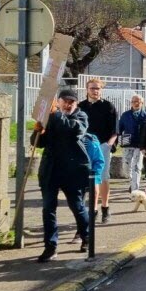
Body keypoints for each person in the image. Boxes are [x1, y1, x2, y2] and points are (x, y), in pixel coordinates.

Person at [33, 89, 91, 262]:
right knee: (48, 208)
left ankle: (86, 236)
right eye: (64, 101)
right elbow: (38, 143)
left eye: (71, 102)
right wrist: (38, 131)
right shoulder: (51, 117)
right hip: (51, 170)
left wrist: (55, 114)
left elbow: (72, 130)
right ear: (58, 101)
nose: (68, 104)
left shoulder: (80, 117)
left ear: (76, 104)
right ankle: (50, 246)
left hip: (72, 171)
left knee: (77, 206)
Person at [78, 78, 118, 224]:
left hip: (103, 146)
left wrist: (108, 145)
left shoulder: (108, 107)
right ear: (86, 90)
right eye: (92, 88)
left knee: (103, 177)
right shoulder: (80, 107)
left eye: (98, 88)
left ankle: (105, 207)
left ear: (101, 90)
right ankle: (92, 209)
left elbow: (115, 131)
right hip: (84, 146)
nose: (95, 91)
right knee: (89, 178)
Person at [118, 94, 146, 193]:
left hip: (139, 146)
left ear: (142, 103)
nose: (135, 103)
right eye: (133, 101)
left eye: (138, 101)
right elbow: (119, 128)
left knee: (136, 167)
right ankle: (132, 182)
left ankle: (135, 190)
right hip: (127, 144)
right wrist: (117, 139)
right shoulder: (125, 115)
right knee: (126, 167)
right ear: (131, 103)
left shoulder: (145, 117)